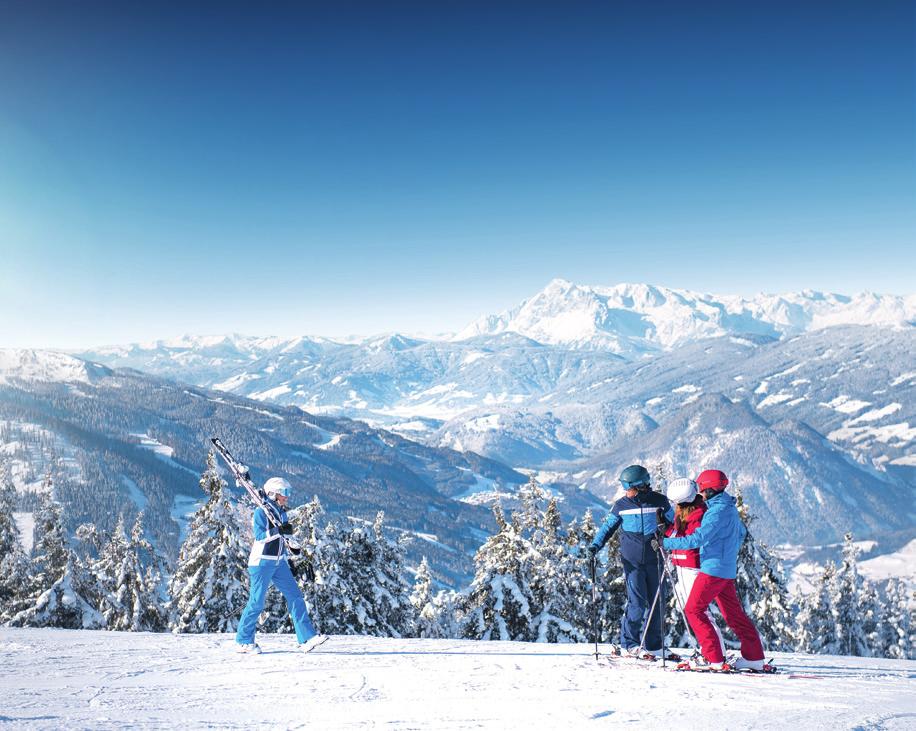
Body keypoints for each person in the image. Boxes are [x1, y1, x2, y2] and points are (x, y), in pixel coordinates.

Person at [663, 469, 765, 671]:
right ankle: (753, 658)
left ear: (709, 489)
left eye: (701, 488)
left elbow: (698, 539)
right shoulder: (725, 507)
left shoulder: (717, 512)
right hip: (725, 568)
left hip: (713, 569)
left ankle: (713, 658)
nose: (699, 492)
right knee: (733, 615)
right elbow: (741, 534)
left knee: (693, 609)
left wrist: (665, 542)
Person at [589, 464, 673, 657]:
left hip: (655, 559)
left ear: (640, 486)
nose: (625, 491)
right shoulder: (621, 505)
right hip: (632, 561)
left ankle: (654, 645)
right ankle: (630, 643)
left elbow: (673, 524)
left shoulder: (659, 501)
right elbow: (608, 527)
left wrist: (668, 537)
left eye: (628, 487)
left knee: (657, 602)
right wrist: (595, 545)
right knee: (637, 602)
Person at [236, 476, 326, 654]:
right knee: (257, 602)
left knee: (296, 597)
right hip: (261, 563)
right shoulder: (261, 512)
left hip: (279, 562)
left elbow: (284, 538)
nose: (287, 496)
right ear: (273, 494)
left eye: (288, 493)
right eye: (284, 493)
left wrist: (292, 555)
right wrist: (278, 531)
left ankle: (306, 638)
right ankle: (244, 641)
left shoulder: (281, 513)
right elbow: (260, 536)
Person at [664, 477, 724, 658]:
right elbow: (678, 533)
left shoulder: (698, 515)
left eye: (677, 503)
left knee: (700, 611)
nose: (675, 505)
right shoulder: (684, 512)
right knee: (695, 611)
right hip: (682, 565)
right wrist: (665, 528)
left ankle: (715, 652)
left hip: (693, 567)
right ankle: (710, 650)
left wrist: (665, 537)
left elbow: (688, 540)